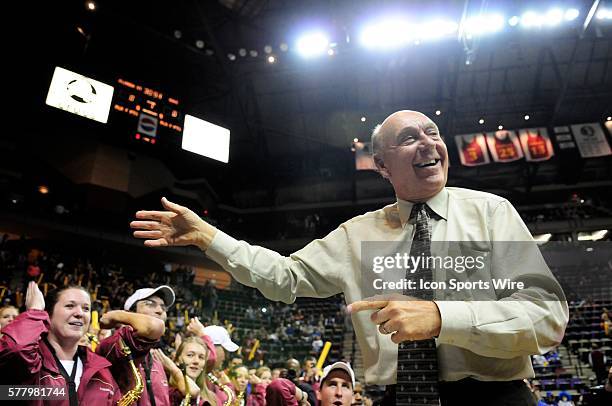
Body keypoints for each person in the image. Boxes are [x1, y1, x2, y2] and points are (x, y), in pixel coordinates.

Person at [131, 110, 568, 405]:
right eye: (409, 138)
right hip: (399, 397)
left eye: (432, 133)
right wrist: (210, 237)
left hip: (494, 397)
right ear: (381, 164)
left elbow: (546, 317)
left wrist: (441, 317)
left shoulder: (491, 212)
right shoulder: (356, 234)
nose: (428, 143)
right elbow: (283, 276)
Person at [0, 282, 122, 405]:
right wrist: (35, 311)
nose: (80, 313)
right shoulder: (29, 364)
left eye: (86, 308)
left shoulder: (102, 371)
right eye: (70, 306)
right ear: (48, 315)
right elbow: (16, 348)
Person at [96, 285, 174, 405]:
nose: (160, 310)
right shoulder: (114, 344)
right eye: (150, 304)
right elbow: (153, 327)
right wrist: (116, 315)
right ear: (130, 312)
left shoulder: (157, 361)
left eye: (163, 307)